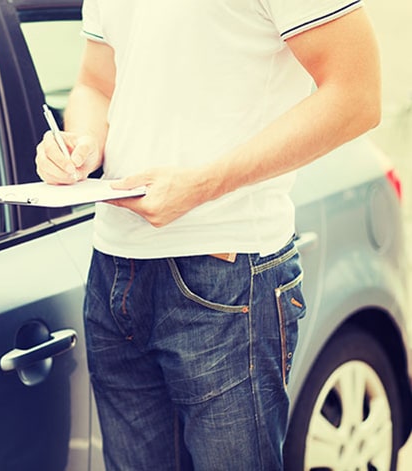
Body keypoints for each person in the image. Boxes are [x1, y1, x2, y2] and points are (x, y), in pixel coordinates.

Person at [35, 1, 381, 470]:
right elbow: (97, 84)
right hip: (114, 270)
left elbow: (357, 94)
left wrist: (204, 184)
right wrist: (80, 144)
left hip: (228, 275)